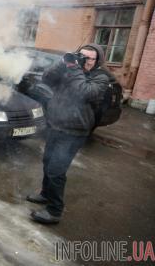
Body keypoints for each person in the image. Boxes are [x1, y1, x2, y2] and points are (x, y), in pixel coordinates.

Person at [27, 43, 109, 224]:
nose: (84, 60)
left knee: (56, 170)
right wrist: (64, 62)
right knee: (47, 162)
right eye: (81, 56)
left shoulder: (101, 78)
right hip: (55, 125)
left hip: (74, 131)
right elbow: (47, 78)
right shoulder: (70, 69)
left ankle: (54, 211)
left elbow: (84, 92)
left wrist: (74, 68)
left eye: (89, 58)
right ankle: (45, 194)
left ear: (97, 61)